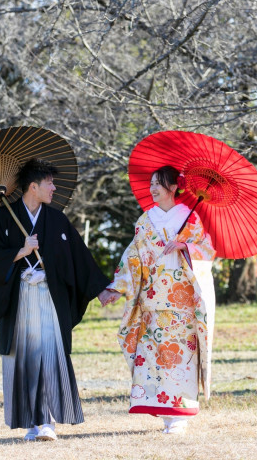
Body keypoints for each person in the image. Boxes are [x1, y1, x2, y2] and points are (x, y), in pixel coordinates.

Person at [0, 158, 110, 441]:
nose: (53, 188)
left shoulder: (57, 220)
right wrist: (21, 250)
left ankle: (48, 420)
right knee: (26, 357)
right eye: (49, 182)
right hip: (21, 297)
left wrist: (100, 289)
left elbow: (79, 258)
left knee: (50, 355)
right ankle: (31, 422)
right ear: (33, 186)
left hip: (49, 296)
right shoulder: (3, 218)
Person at [99, 165, 217, 434]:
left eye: (159, 183)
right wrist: (116, 288)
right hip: (152, 300)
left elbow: (208, 250)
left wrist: (186, 246)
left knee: (180, 357)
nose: (152, 188)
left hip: (182, 301)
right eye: (151, 183)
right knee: (155, 356)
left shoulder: (190, 217)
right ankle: (164, 412)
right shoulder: (145, 220)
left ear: (174, 187)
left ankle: (179, 416)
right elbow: (133, 257)